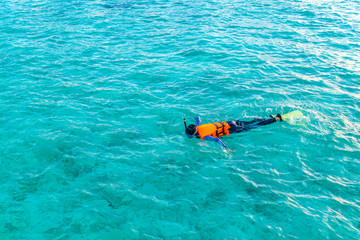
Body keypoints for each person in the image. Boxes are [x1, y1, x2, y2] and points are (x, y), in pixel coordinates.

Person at [184, 113, 282, 151]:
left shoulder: (204, 136)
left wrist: (226, 148)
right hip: (230, 123)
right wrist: (190, 117)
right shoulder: (198, 125)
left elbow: (217, 140)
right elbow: (198, 117)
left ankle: (277, 118)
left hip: (232, 129)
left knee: (256, 126)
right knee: (251, 122)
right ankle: (268, 118)